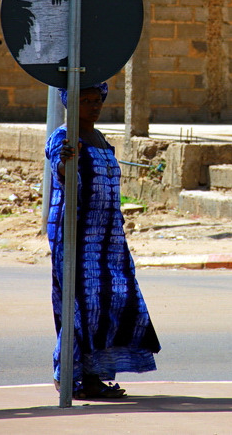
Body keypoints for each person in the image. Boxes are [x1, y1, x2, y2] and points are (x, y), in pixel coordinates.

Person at [45, 82, 160, 399]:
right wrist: (66, 162)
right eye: (85, 100)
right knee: (80, 306)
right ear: (70, 102)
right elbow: (61, 169)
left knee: (111, 304)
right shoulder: (63, 136)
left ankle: (93, 375)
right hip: (77, 237)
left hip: (108, 238)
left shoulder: (100, 138)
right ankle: (68, 376)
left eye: (97, 100)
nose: (93, 105)